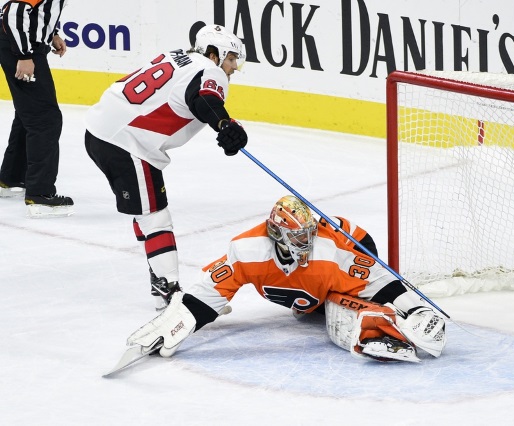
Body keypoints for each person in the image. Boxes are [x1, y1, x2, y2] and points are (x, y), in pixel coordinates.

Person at [124, 195, 447, 363]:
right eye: (297, 236)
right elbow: (210, 291)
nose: (304, 242)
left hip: (356, 243)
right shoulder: (247, 250)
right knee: (309, 308)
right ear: (277, 233)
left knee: (345, 301)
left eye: (309, 233)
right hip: (311, 282)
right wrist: (179, 319)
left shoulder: (328, 252)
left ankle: (373, 320)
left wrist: (417, 309)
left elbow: (379, 278)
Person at [85, 25, 248, 311]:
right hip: (128, 144)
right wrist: (224, 124)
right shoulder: (211, 70)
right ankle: (170, 292)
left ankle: (159, 276)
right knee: (155, 217)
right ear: (214, 53)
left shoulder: (177, 56)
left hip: (101, 131)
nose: (234, 66)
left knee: (145, 212)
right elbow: (204, 99)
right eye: (231, 58)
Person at [0, 0, 74, 217]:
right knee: (45, 119)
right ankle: (40, 194)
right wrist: (24, 55)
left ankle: (11, 177)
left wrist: (52, 34)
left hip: (21, 44)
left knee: (28, 113)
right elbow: (14, 12)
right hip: (20, 48)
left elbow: (34, 11)